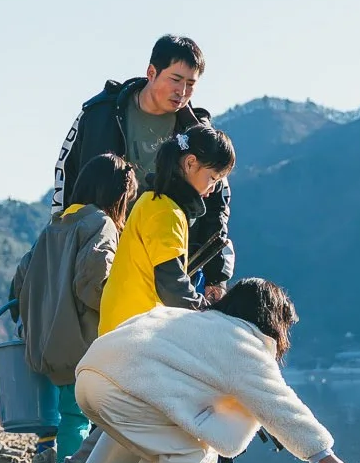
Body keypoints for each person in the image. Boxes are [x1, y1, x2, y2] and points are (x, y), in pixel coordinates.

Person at [73, 279, 349, 463]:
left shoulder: (192, 320)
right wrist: (323, 455)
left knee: (166, 445)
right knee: (193, 450)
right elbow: (279, 404)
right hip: (123, 391)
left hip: (90, 378)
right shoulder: (242, 344)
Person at [53, 36, 233, 294]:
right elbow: (66, 175)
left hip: (164, 264)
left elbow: (217, 204)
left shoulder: (198, 135)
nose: (182, 92)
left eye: (191, 84)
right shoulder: (99, 114)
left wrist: (217, 276)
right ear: (151, 72)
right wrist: (60, 240)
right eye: (175, 79)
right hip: (98, 252)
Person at [14, 155, 136, 463]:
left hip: (47, 338)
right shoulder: (100, 224)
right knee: (81, 416)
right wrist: (118, 312)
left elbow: (21, 277)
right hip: (82, 339)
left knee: (69, 413)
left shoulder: (55, 223)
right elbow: (92, 281)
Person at [99, 126, 236, 336]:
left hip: (122, 324)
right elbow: (172, 285)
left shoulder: (153, 201)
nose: (212, 190)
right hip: (133, 332)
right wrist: (209, 311)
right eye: (213, 179)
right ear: (190, 163)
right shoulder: (166, 212)